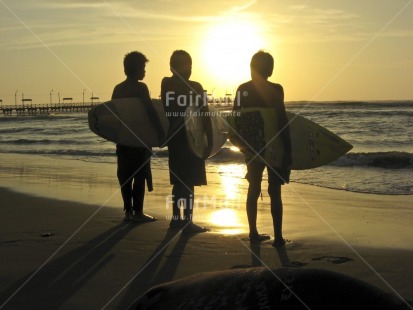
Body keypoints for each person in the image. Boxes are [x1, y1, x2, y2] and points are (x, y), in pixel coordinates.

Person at [233, 50, 292, 247]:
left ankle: (253, 233)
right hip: (274, 145)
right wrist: (288, 151)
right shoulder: (277, 89)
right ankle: (279, 237)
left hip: (253, 146)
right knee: (274, 190)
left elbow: (235, 121)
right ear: (269, 69)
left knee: (253, 187)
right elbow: (282, 121)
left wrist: (241, 145)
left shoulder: (243, 90)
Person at [161, 50, 210, 233]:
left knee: (184, 180)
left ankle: (179, 219)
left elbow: (204, 114)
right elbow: (201, 113)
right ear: (173, 68)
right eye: (182, 65)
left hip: (188, 138)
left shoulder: (176, 85)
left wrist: (210, 140)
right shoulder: (171, 84)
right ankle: (184, 221)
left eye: (189, 65)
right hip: (185, 139)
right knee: (184, 180)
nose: (187, 69)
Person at [112, 51, 164, 222]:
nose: (145, 71)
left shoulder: (118, 89)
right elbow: (150, 111)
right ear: (135, 69)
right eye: (143, 67)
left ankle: (128, 212)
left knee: (125, 175)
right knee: (140, 175)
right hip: (140, 140)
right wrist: (160, 132)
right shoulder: (141, 88)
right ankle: (139, 212)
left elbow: (113, 115)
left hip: (123, 140)